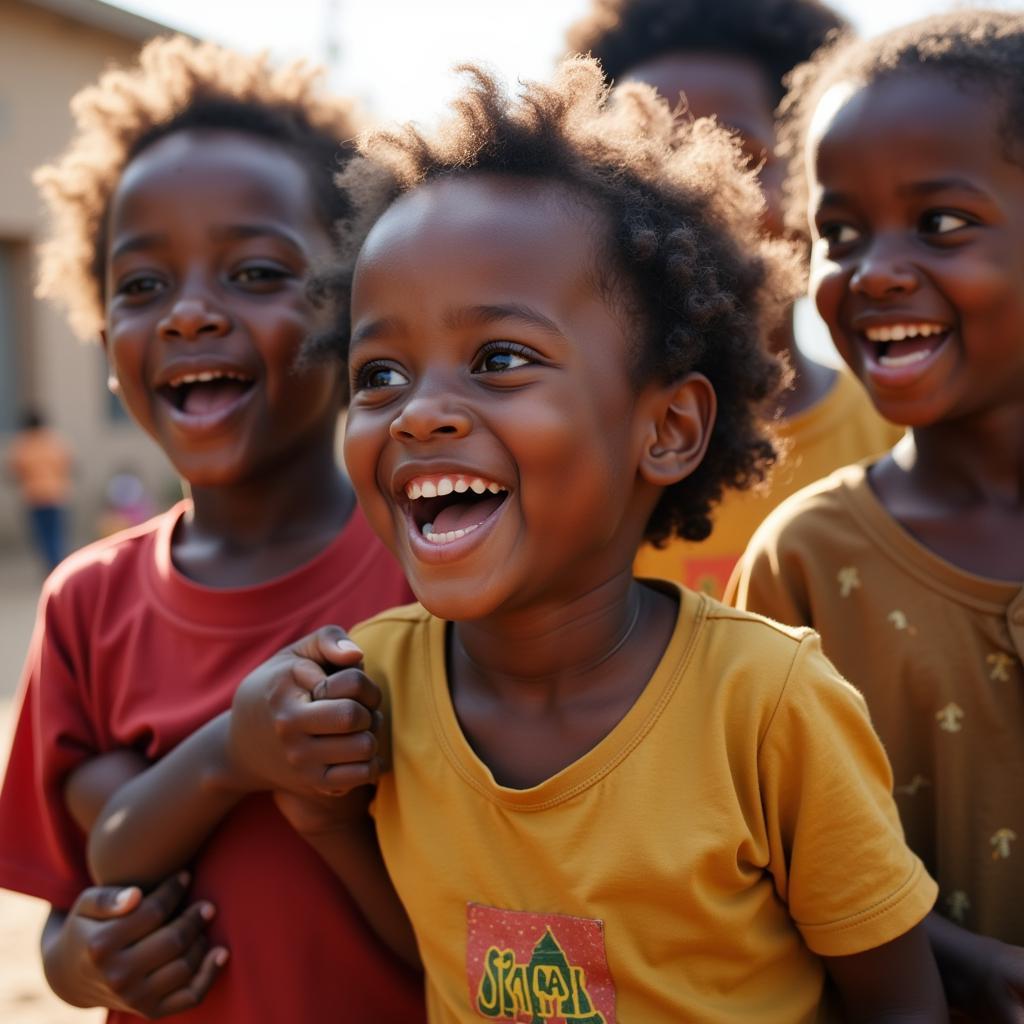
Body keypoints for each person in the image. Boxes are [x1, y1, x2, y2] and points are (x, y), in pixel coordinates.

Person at [226, 58, 944, 1021]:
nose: (420, 412)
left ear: (669, 429)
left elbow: (900, 1002)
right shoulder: (372, 690)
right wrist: (322, 818)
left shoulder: (765, 709)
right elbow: (447, 953)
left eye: (500, 359)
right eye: (380, 374)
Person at [0, 37, 422, 1022]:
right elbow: (66, 930)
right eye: (142, 287)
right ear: (106, 342)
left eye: (256, 271)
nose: (190, 313)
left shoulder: (431, 565)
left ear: (357, 306)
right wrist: (92, 964)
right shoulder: (85, 605)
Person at [727, 11, 1024, 1021]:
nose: (874, 269)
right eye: (838, 233)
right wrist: (941, 953)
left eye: (940, 222)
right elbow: (755, 851)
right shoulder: (803, 557)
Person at [567, 0, 902, 598]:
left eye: (742, 156)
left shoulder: (901, 439)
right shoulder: (570, 459)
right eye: (649, 157)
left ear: (815, 183)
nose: (695, 191)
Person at [6, 408, 73, 572]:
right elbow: (68, 464)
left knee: (43, 537)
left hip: (35, 497)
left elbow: (14, 471)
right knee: (57, 535)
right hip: (57, 495)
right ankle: (59, 566)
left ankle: (52, 567)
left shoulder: (23, 445)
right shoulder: (54, 441)